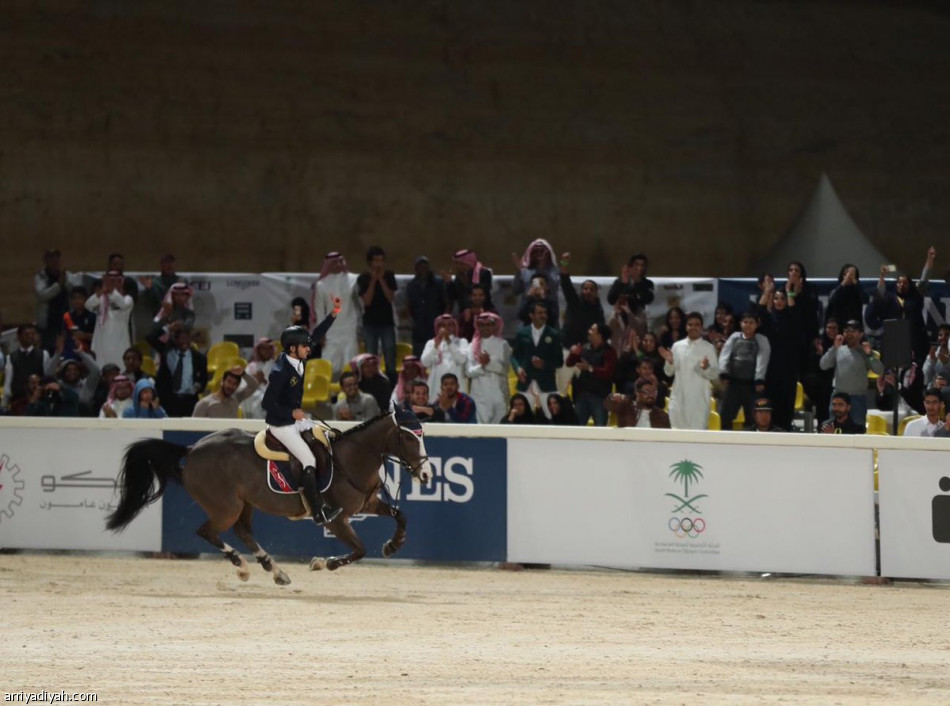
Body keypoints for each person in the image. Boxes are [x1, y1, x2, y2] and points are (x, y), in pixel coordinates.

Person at [262, 324, 341, 525]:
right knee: (308, 460)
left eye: (307, 346)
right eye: (304, 346)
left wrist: (333, 314)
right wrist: (291, 412)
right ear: (292, 349)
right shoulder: (280, 372)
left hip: (296, 420)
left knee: (326, 437)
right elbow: (267, 404)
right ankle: (318, 511)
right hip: (281, 425)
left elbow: (315, 335)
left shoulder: (298, 358)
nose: (309, 349)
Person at [756, 277, 807, 431]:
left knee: (786, 406)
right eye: (776, 298)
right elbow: (759, 311)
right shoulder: (769, 320)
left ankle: (785, 433)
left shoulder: (792, 319)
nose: (779, 301)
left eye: (782, 299)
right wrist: (766, 293)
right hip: (771, 370)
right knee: (771, 405)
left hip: (789, 370)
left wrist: (791, 293)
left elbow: (794, 313)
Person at [819, 319, 883, 428]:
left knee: (857, 430)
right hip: (838, 397)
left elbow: (879, 370)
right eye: (846, 331)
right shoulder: (838, 349)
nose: (849, 334)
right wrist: (834, 348)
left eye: (853, 331)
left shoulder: (865, 352)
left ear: (860, 334)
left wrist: (869, 355)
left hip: (857, 399)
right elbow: (823, 365)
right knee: (833, 431)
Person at [661, 312, 720, 430]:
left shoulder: (708, 348)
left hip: (699, 400)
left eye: (697, 324)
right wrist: (670, 362)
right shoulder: (677, 346)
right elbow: (668, 372)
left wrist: (705, 368)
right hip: (679, 399)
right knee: (677, 435)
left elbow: (714, 374)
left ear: (702, 327)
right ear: (686, 326)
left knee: (697, 437)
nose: (693, 327)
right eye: (690, 324)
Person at [558, 252, 606, 393]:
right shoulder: (574, 302)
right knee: (562, 390)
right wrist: (565, 264)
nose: (588, 291)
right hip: (567, 351)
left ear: (596, 292)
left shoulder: (599, 311)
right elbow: (565, 282)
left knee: (582, 392)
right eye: (585, 288)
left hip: (586, 355)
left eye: (591, 289)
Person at [718, 311, 771, 431]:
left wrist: (759, 379)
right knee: (725, 416)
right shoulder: (734, 337)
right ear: (740, 323)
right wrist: (724, 373)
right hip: (734, 384)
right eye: (745, 322)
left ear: (757, 324)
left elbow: (762, 359)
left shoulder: (761, 340)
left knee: (752, 418)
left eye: (751, 322)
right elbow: (725, 355)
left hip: (752, 386)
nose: (748, 325)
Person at [311, 252, 361, 379]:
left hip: (350, 328)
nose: (338, 264)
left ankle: (349, 395)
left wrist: (360, 327)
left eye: (340, 261)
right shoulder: (321, 285)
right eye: (334, 262)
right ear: (328, 265)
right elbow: (319, 310)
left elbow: (359, 305)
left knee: (350, 364)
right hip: (330, 332)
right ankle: (331, 397)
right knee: (331, 365)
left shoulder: (354, 279)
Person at [510, 301, 564, 417]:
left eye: (545, 313)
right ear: (531, 315)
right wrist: (517, 369)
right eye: (539, 313)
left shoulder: (553, 334)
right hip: (526, 382)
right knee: (522, 417)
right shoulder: (522, 333)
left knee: (551, 416)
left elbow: (559, 361)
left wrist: (544, 364)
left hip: (546, 383)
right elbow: (514, 356)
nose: (543, 315)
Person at [147, 323, 209, 417]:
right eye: (180, 338)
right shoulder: (167, 351)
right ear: (175, 339)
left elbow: (203, 378)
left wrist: (197, 387)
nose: (184, 341)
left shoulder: (199, 357)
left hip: (189, 400)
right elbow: (150, 338)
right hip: (168, 399)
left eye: (186, 338)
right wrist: (168, 327)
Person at [357, 245, 398, 377]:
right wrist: (373, 281)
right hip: (370, 323)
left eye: (381, 260)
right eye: (376, 261)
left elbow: (390, 297)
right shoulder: (363, 278)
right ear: (370, 262)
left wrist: (381, 279)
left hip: (387, 322)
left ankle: (391, 384)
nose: (379, 264)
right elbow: (367, 301)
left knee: (390, 354)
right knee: (371, 356)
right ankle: (373, 381)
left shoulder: (389, 276)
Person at [566, 323, 617, 426]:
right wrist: (573, 353)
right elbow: (569, 363)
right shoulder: (584, 347)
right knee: (577, 427)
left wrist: (590, 368)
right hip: (581, 394)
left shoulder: (609, 352)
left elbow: (608, 372)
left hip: (599, 397)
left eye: (592, 330)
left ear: (600, 335)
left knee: (600, 427)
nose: (589, 332)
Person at [466, 312, 511, 424]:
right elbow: (468, 372)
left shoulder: (503, 344)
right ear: (478, 327)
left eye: (489, 324)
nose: (486, 328)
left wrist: (488, 363)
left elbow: (505, 369)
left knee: (499, 427)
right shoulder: (472, 346)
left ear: (494, 326)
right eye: (482, 325)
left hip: (498, 392)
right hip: (479, 393)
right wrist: (482, 365)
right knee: (480, 429)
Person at [34, 249, 83, 353]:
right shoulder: (41, 276)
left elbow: (76, 291)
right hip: (48, 323)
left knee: (68, 349)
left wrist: (65, 281)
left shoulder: (67, 275)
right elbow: (42, 295)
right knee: (50, 351)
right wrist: (58, 285)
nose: (55, 261)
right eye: (51, 258)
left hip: (66, 320)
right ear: (46, 260)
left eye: (57, 258)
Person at [86, 270, 134, 369]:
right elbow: (88, 305)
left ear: (121, 282)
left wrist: (112, 291)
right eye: (110, 280)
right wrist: (101, 291)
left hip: (119, 343)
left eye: (116, 280)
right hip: (101, 342)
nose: (113, 283)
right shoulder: (101, 298)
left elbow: (122, 304)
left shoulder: (127, 299)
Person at [2, 324, 55, 413]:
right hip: (19, 400)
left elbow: (47, 376)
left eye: (32, 334)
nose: (30, 337)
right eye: (26, 334)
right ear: (19, 336)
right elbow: (8, 383)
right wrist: (3, 405)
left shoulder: (43, 354)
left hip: (40, 401)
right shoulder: (11, 358)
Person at [405, 255, 448, 357]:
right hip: (419, 326)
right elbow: (408, 305)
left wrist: (444, 320)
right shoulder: (411, 285)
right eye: (420, 266)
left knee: (438, 354)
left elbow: (446, 303)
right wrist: (410, 320)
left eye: (425, 266)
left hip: (435, 324)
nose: (423, 269)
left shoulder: (438, 283)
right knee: (419, 355)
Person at [421, 314, 470, 401]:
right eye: (443, 325)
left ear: (454, 326)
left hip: (457, 384)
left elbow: (462, 359)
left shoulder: (462, 342)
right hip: (436, 385)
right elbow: (425, 362)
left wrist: (448, 341)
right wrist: (435, 346)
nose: (446, 328)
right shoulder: (431, 343)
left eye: (449, 325)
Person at [606, 254, 655, 338]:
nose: (639, 268)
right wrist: (622, 283)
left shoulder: (647, 283)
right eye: (637, 265)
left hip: (638, 317)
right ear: (631, 267)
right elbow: (611, 299)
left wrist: (638, 282)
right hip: (620, 316)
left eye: (642, 265)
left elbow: (648, 299)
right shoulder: (620, 281)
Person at [511, 239, 560, 317]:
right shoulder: (525, 271)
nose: (539, 254)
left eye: (542, 251)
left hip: (549, 313)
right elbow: (515, 291)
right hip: (528, 313)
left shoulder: (554, 271)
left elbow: (554, 289)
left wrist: (542, 268)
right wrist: (519, 272)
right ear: (531, 253)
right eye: (536, 251)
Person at [192, 365, 259, 418]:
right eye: (229, 382)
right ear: (222, 381)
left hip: (232, 435)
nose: (231, 386)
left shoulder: (237, 398)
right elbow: (194, 427)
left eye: (234, 384)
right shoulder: (204, 403)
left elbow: (254, 386)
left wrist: (244, 374)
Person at [606, 378, 671, 429]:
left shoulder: (662, 416)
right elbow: (610, 405)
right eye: (647, 391)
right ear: (637, 393)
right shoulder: (627, 407)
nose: (651, 395)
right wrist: (613, 397)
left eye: (654, 392)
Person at [446, 248, 494, 313]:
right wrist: (449, 283)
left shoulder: (484, 273)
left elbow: (483, 294)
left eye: (460, 263)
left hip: (483, 311)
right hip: (464, 312)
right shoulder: (460, 276)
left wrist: (466, 282)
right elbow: (455, 295)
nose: (457, 266)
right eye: (456, 263)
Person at [240, 337, 278, 420]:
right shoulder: (252, 366)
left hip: (271, 395)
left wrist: (263, 381)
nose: (267, 351)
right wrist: (255, 382)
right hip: (254, 393)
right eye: (264, 348)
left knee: (260, 402)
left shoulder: (277, 365)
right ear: (259, 350)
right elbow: (243, 384)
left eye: (269, 348)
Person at [139, 254, 183, 318]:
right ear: (161, 266)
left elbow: (186, 304)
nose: (169, 265)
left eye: (171, 262)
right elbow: (148, 304)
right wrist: (149, 290)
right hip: (159, 318)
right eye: (166, 263)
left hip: (178, 319)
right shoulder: (154, 283)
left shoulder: (181, 282)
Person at [824, 264, 868, 329]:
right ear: (842, 276)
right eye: (846, 274)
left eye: (852, 275)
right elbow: (831, 301)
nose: (849, 277)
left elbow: (866, 300)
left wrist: (855, 282)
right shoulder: (837, 289)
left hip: (855, 327)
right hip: (839, 326)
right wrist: (844, 283)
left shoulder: (858, 289)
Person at [62, 287, 96, 358]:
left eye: (80, 298)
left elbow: (97, 337)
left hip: (87, 353)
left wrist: (84, 336)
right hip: (70, 353)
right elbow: (63, 336)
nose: (77, 301)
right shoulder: (67, 316)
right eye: (74, 298)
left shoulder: (93, 316)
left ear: (86, 299)